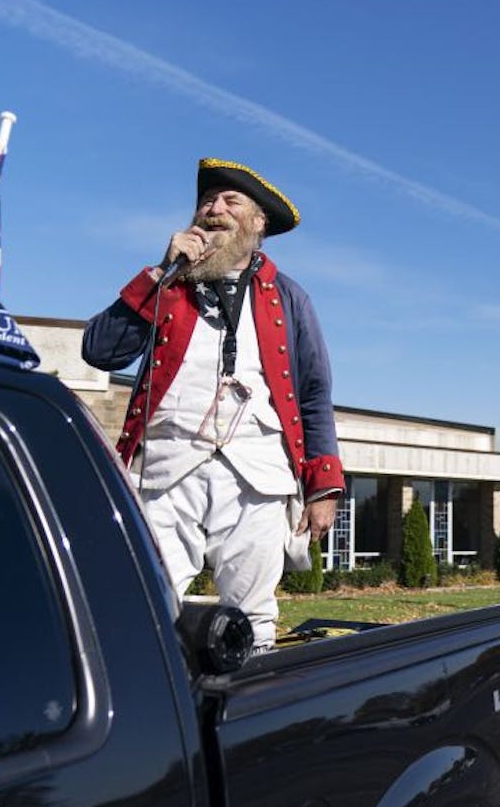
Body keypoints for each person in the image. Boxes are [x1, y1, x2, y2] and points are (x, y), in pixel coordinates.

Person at [82, 158, 344, 653]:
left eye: (230, 201)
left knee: (253, 620)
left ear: (257, 222)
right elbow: (100, 351)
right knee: (146, 604)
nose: (213, 209)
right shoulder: (169, 282)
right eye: (207, 201)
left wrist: (322, 485)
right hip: (165, 469)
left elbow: (313, 394)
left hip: (258, 472)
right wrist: (160, 273)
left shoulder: (290, 298)